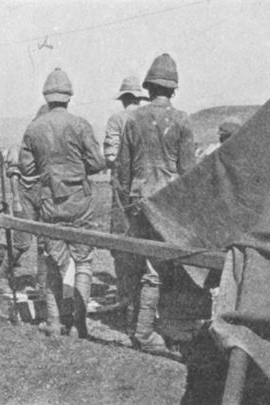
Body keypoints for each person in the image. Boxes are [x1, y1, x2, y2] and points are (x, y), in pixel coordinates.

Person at [117, 53, 195, 356]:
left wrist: (128, 203)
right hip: (168, 202)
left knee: (141, 262)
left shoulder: (133, 119)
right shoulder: (182, 120)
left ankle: (138, 323)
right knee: (160, 267)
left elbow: (122, 170)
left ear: (149, 87)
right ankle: (145, 332)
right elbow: (188, 172)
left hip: (139, 199)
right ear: (173, 89)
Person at [19, 68, 105, 338]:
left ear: (46, 96)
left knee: (53, 262)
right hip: (79, 201)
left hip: (50, 203)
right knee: (84, 262)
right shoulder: (81, 125)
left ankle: (54, 322)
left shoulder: (34, 128)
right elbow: (97, 163)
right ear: (69, 96)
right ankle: (79, 324)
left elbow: (27, 168)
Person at [104, 76, 147, 331]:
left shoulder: (116, 120)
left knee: (121, 243)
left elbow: (111, 157)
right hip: (147, 190)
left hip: (122, 187)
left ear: (123, 99)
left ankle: (125, 301)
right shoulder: (147, 118)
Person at [2, 105, 49, 291]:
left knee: (45, 242)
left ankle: (43, 284)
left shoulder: (51, 146)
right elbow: (14, 174)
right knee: (22, 242)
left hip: (45, 195)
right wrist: (16, 200)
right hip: (25, 194)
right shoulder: (21, 147)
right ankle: (1, 276)